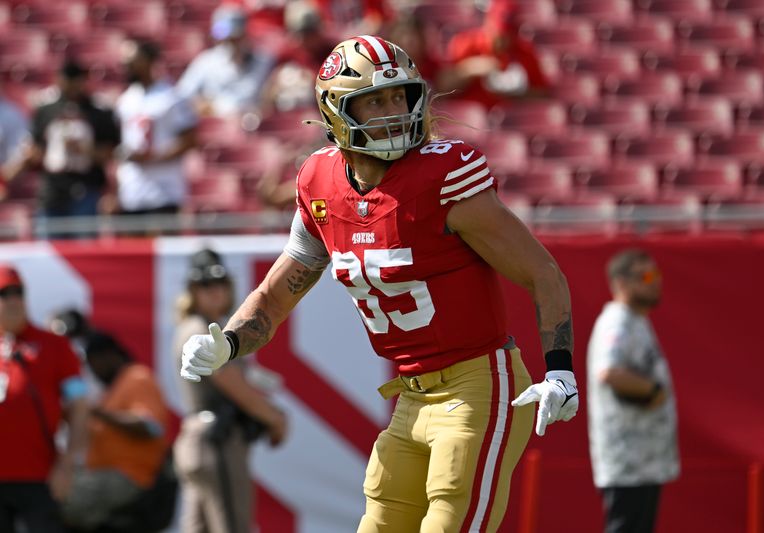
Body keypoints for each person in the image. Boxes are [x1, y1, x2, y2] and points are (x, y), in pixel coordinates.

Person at [182, 36, 578, 533]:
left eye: (399, 97)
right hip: (409, 396)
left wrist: (559, 368)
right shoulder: (319, 182)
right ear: (336, 112)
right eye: (374, 100)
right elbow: (280, 290)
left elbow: (543, 273)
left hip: (478, 385)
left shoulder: (443, 175)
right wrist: (231, 341)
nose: (393, 112)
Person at [173, 248, 287, 533]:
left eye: (220, 283)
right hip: (215, 441)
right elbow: (231, 383)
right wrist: (275, 417)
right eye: (205, 285)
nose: (215, 291)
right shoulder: (199, 330)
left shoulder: (199, 327)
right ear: (192, 290)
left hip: (203, 441)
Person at [587, 249, 679, 533]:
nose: (656, 282)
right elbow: (609, 371)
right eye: (647, 276)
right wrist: (653, 390)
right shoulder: (618, 322)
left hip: (643, 460)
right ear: (623, 282)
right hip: (628, 460)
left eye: (657, 275)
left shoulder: (635, 320)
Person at [0, 264, 89, 533]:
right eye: (5, 293)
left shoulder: (55, 345)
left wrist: (68, 464)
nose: (14, 300)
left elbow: (80, 408)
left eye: (19, 292)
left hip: (41, 478)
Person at [60, 331, 171, 531]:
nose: (91, 370)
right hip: (101, 473)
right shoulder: (113, 389)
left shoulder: (137, 377)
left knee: (56, 501)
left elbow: (150, 427)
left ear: (108, 355)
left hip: (130, 475)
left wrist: (98, 413)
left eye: (91, 362)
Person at [25, 61, 120, 234]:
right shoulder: (47, 110)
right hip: (52, 190)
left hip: (86, 187)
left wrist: (85, 150)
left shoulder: (99, 111)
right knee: (48, 252)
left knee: (84, 252)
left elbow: (111, 153)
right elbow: (36, 148)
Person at [111, 39, 198, 219]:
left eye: (132, 61)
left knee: (163, 243)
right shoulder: (125, 100)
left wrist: (153, 157)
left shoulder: (171, 96)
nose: (127, 66)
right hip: (132, 189)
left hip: (164, 190)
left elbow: (190, 140)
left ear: (148, 61)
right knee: (132, 246)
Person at [443, 0, 551, 109]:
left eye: (508, 35)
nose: (502, 41)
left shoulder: (525, 51)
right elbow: (442, 88)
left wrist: (520, 94)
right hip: (468, 121)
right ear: (488, 23)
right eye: (497, 34)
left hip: (510, 121)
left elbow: (543, 96)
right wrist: (470, 69)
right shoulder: (465, 43)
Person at [178, 5, 276, 117]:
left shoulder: (264, 61)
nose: (230, 44)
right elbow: (182, 97)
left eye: (235, 38)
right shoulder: (205, 62)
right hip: (215, 126)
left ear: (244, 35)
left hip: (253, 124)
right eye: (226, 39)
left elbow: (271, 96)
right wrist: (202, 105)